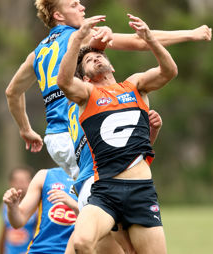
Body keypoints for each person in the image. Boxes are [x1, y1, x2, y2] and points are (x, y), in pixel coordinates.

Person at [5, 0, 212, 179]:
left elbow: (12, 92)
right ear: (58, 15)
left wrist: (26, 129)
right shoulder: (80, 36)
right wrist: (191, 34)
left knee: (91, 197)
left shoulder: (38, 53)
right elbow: (138, 42)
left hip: (54, 139)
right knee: (110, 189)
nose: (82, 7)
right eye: (74, 5)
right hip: (78, 131)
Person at [57, 16, 178, 253]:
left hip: (141, 191)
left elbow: (169, 71)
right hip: (105, 191)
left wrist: (150, 38)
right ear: (85, 77)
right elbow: (63, 81)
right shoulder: (87, 95)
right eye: (89, 60)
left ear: (111, 66)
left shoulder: (134, 85)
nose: (96, 57)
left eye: (99, 55)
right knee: (81, 243)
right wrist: (78, 39)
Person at [2, 167, 78, 254]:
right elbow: (18, 222)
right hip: (41, 250)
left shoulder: (94, 179)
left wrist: (74, 205)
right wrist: (13, 207)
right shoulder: (45, 176)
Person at [0, 166, 37, 254]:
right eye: (16, 181)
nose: (20, 184)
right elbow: (4, 232)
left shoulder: (37, 207)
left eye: (23, 181)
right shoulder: (5, 205)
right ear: (10, 183)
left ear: (32, 182)